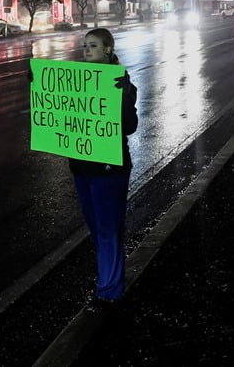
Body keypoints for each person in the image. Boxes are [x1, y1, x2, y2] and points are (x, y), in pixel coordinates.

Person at [73, 28, 138, 307]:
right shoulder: (77, 80)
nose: (86, 50)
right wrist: (36, 84)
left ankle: (109, 290)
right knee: (96, 226)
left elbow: (130, 126)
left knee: (108, 228)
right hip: (81, 166)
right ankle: (108, 276)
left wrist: (123, 98)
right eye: (85, 45)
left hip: (110, 168)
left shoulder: (120, 80)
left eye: (93, 46)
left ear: (108, 50)